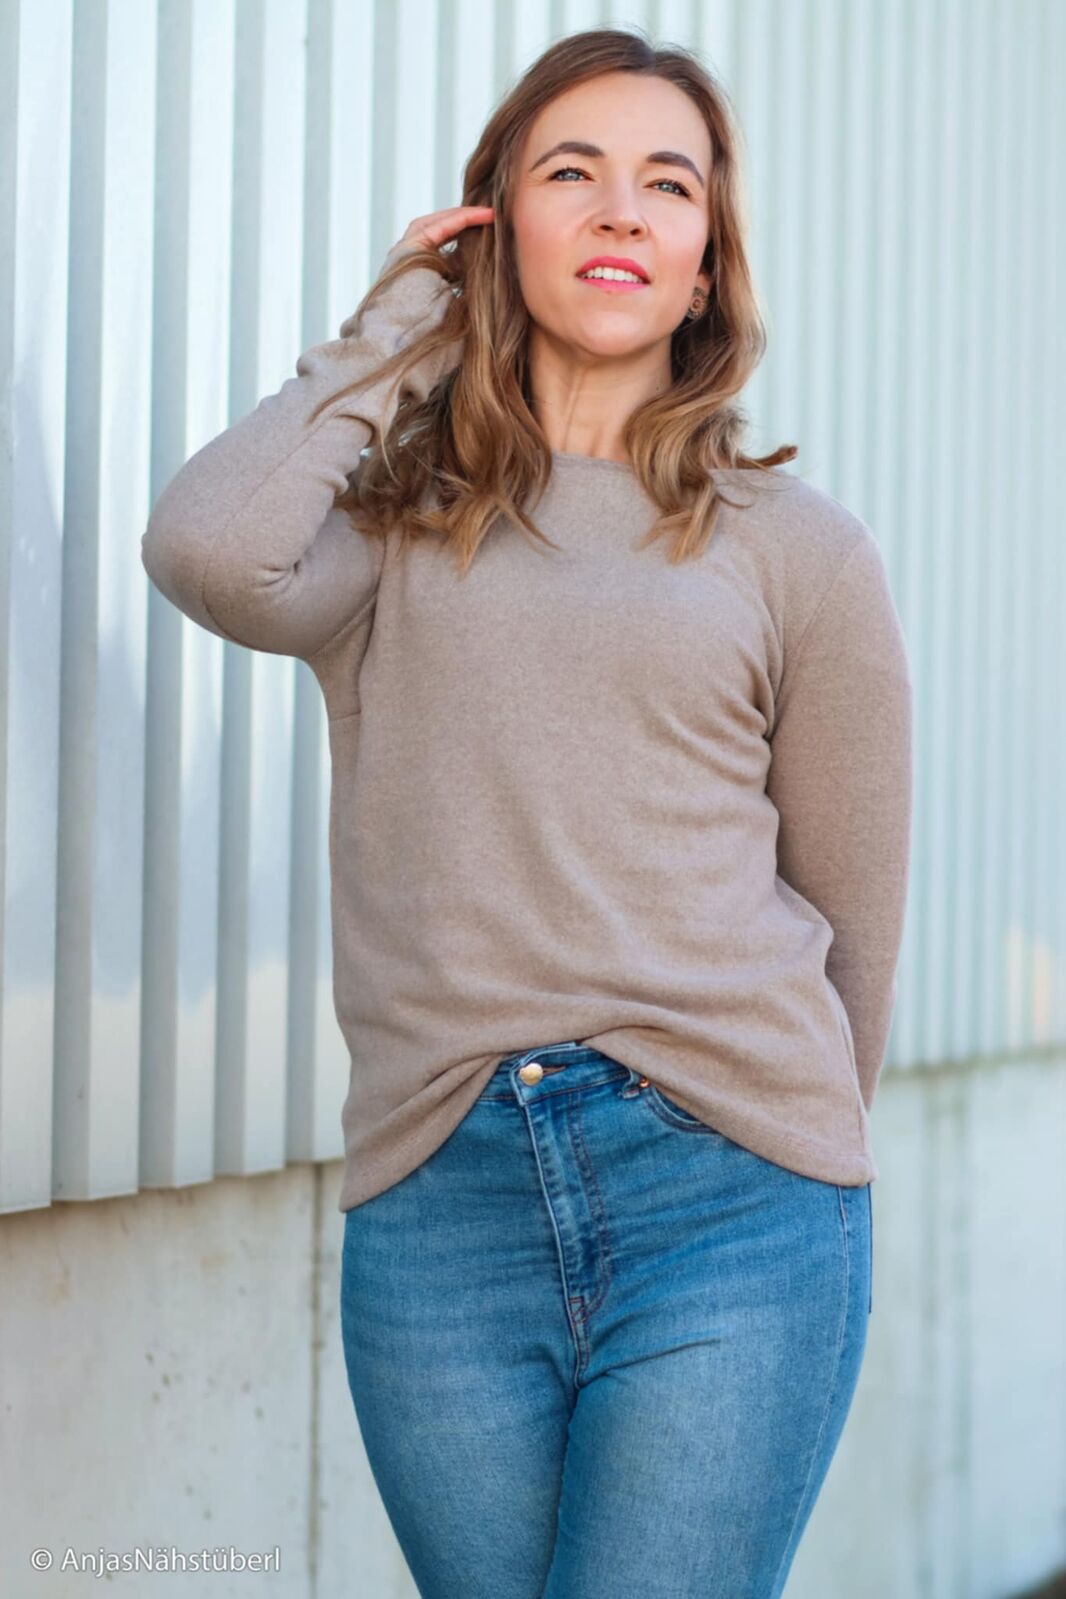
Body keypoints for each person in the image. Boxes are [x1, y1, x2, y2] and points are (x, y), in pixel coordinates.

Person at [141, 24, 912, 1599]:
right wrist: (396, 332)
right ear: (495, 229)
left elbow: (855, 911)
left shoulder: (798, 547)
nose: (622, 208)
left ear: (703, 267)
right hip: (441, 1202)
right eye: (573, 172)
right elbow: (210, 553)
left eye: (668, 185)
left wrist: (796, 1149)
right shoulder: (388, 533)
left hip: (730, 1196)